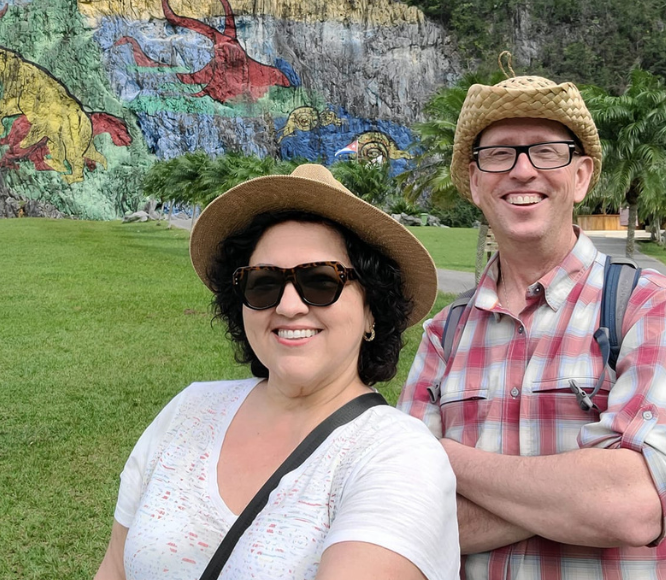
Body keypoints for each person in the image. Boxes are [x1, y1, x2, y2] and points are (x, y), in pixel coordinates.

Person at [398, 73, 666, 579]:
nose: (523, 172)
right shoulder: (445, 333)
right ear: (476, 184)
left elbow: (634, 504)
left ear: (582, 176)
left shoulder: (650, 307)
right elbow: (404, 514)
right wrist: (577, 501)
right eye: (500, 154)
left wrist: (442, 456)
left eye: (547, 152)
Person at [95, 163, 460, 580]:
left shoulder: (398, 456)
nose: (288, 306)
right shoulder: (189, 409)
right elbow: (115, 567)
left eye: (321, 281)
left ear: (371, 310)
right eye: (264, 283)